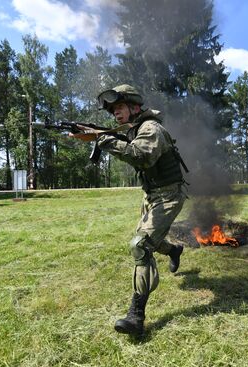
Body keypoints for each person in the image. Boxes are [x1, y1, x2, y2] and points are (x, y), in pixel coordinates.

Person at [70, 84, 188, 336]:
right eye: (112, 110)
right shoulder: (135, 130)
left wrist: (102, 138)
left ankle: (136, 315)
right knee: (149, 242)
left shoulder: (151, 128)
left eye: (120, 107)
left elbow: (141, 155)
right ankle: (174, 250)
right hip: (152, 195)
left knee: (140, 245)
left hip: (169, 195)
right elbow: (125, 143)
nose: (115, 113)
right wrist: (94, 135)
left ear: (135, 107)